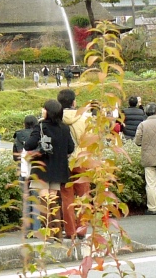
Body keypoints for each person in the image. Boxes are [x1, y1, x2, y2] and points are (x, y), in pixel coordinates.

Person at [24, 100, 75, 235]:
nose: (42, 110)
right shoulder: (64, 128)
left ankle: (48, 232)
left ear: (48, 112)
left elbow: (28, 145)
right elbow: (71, 147)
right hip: (59, 168)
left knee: (44, 199)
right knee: (53, 198)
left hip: (42, 167)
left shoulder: (40, 126)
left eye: (44, 108)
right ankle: (57, 233)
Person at [58, 88, 91, 239]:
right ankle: (82, 229)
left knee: (66, 197)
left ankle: (70, 230)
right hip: (82, 159)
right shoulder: (84, 118)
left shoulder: (56, 118)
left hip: (65, 161)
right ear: (73, 102)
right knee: (83, 195)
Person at [134, 103, 156, 214]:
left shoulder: (142, 125)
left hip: (148, 158)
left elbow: (137, 141)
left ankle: (152, 208)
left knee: (150, 184)